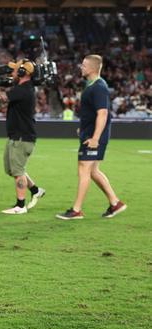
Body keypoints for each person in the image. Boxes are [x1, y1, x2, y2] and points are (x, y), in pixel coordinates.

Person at [56, 55, 127, 220]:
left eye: (84, 65)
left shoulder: (99, 87)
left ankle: (76, 210)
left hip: (94, 138)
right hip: (89, 134)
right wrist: (84, 128)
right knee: (93, 171)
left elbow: (103, 113)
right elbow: (92, 113)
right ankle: (115, 203)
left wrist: (95, 138)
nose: (81, 67)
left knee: (84, 169)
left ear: (93, 68)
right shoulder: (92, 86)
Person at [0, 59, 46, 214]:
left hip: (22, 137)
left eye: (15, 70)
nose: (12, 73)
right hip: (17, 136)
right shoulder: (22, 88)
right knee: (12, 169)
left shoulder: (23, 90)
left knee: (18, 172)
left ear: (22, 73)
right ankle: (35, 190)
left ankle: (20, 206)